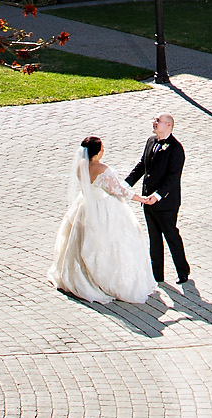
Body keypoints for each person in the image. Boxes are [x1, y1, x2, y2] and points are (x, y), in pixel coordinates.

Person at [48, 134, 157, 305]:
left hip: (85, 206)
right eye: (102, 148)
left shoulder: (80, 166)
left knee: (82, 241)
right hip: (104, 209)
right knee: (116, 243)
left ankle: (82, 275)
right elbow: (119, 190)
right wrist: (141, 198)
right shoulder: (103, 169)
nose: (104, 150)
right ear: (97, 153)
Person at [127, 113, 191, 289]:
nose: (154, 123)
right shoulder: (150, 141)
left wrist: (157, 195)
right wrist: (127, 183)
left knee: (171, 235)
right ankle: (157, 274)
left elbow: (173, 177)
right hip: (148, 200)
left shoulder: (175, 149)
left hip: (166, 202)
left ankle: (182, 271)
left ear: (168, 125)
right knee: (154, 238)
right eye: (154, 120)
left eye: (158, 121)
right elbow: (142, 165)